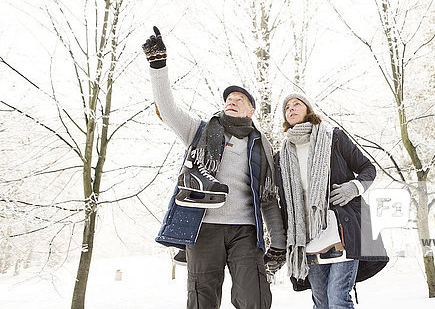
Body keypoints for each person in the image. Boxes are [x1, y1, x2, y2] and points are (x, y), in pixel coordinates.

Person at [142, 26, 286, 309]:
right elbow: (167, 108)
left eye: (239, 100)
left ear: (250, 110)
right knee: (201, 299)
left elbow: (268, 199)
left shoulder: (262, 146)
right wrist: (158, 65)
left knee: (255, 298)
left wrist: (278, 242)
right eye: (228, 100)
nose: (231, 102)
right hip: (204, 229)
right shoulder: (201, 132)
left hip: (246, 231)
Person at [274, 92, 389, 309]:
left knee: (338, 297)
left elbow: (368, 168)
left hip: (341, 230)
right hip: (307, 238)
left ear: (308, 109)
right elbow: (282, 203)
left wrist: (353, 187)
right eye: (287, 107)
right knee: (321, 301)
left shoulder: (333, 137)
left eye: (296, 104)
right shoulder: (281, 156)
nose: (291, 108)